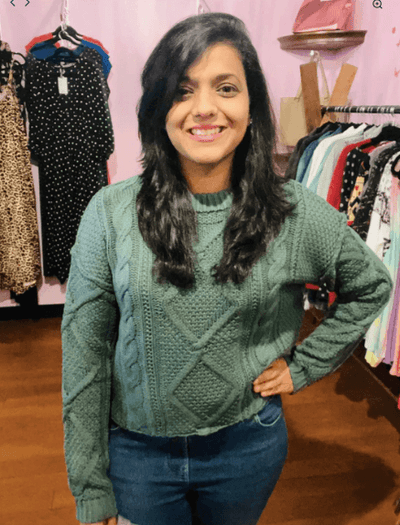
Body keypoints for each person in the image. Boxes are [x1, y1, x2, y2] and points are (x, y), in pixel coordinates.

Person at [61, 12, 393, 525]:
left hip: (246, 450)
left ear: (251, 106)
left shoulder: (293, 211)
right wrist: (89, 486)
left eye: (226, 87)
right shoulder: (109, 213)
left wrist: (304, 366)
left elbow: (370, 284)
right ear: (159, 108)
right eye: (183, 91)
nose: (204, 108)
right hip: (137, 456)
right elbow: (84, 355)